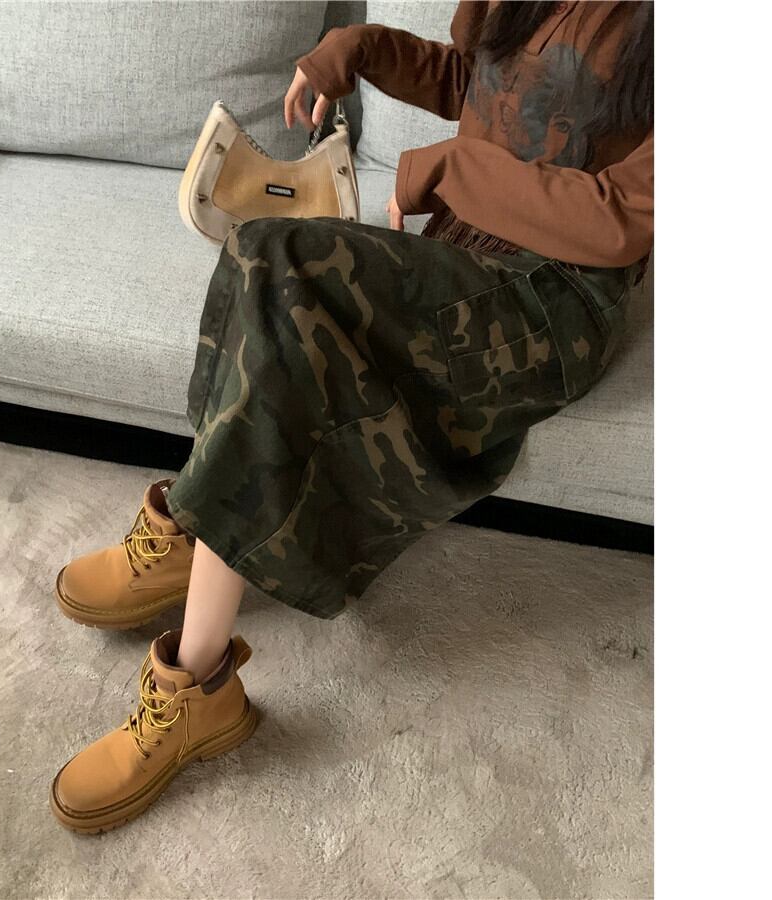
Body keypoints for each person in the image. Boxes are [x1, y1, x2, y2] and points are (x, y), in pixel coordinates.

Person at [48, 0, 654, 833]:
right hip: (466, 245)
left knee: (288, 262)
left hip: (554, 297)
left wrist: (450, 170)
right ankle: (202, 521)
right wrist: (359, 48)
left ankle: (196, 678)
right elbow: (478, 86)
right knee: (265, 253)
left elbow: (621, 220)